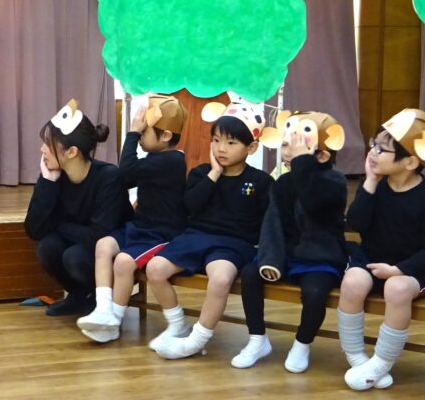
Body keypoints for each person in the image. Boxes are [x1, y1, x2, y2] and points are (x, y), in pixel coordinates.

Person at [145, 102, 273, 359]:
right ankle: (177, 323)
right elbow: (190, 206)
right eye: (216, 140)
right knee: (155, 268)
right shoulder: (202, 172)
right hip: (196, 236)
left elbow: (267, 222)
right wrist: (214, 174)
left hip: (234, 243)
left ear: (251, 148)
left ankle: (197, 339)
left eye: (231, 143)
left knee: (221, 278)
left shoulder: (261, 181)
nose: (221, 148)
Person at [339, 109, 425, 391]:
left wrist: (398, 270)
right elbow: (355, 223)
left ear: (410, 161)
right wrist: (370, 182)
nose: (372, 153)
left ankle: (380, 363)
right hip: (373, 260)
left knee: (396, 288)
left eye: (381, 149)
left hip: (412, 269)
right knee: (352, 282)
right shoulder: (375, 185)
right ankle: (357, 358)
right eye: (373, 144)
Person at [232, 111, 347, 373]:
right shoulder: (283, 182)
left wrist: (302, 164)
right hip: (288, 254)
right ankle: (257, 339)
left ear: (322, 156)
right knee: (250, 274)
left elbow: (313, 202)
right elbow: (273, 221)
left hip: (320, 255)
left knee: (315, 292)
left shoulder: (335, 181)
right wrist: (270, 259)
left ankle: (302, 344)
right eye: (285, 145)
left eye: (297, 148)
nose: (287, 152)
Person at [76, 94, 188, 342]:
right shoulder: (156, 158)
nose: (140, 135)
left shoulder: (171, 161)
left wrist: (132, 134)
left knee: (124, 262)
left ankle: (114, 321)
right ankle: (103, 309)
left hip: (162, 233)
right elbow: (126, 178)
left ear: (165, 135)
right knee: (103, 245)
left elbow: (126, 171)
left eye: (144, 131)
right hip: (142, 227)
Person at [25, 99, 130, 316]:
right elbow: (33, 229)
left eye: (48, 144)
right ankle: (78, 297)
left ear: (71, 152)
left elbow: (98, 236)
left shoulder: (108, 177)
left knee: (74, 256)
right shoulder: (54, 176)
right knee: (47, 247)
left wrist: (56, 224)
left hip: (111, 249)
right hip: (79, 241)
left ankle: (100, 300)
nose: (42, 149)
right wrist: (47, 184)